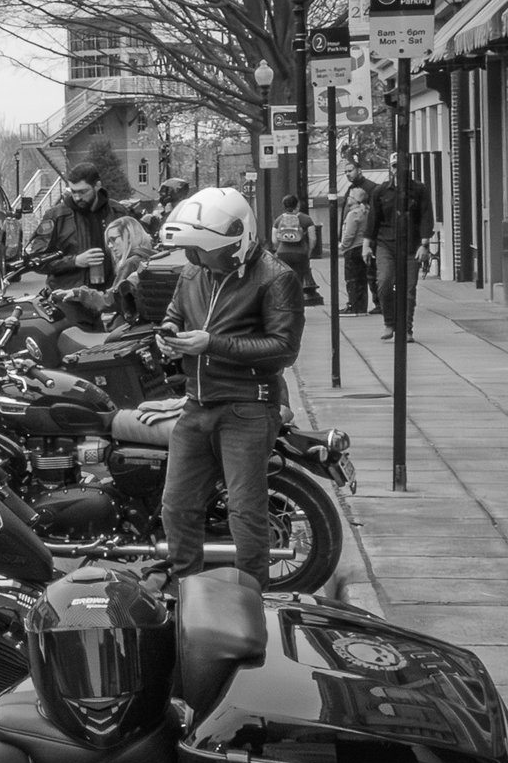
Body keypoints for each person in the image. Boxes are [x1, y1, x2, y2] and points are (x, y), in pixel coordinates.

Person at [157, 187, 303, 589]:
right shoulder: (193, 273)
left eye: (203, 250)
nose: (195, 257)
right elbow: (175, 313)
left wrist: (211, 343)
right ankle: (186, 590)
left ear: (234, 243)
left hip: (248, 407)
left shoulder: (276, 278)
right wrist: (168, 332)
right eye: (193, 250)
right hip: (198, 402)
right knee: (177, 505)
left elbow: (283, 350)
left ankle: (251, 597)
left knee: (245, 510)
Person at [21, 164, 113, 292]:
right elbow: (36, 260)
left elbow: (135, 252)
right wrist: (74, 261)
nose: (77, 197)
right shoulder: (56, 216)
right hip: (68, 296)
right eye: (73, 191)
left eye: (83, 191)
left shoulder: (117, 213)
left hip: (112, 295)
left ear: (97, 186)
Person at [370, 166, 434, 342]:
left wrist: (424, 245)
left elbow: (426, 217)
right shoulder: (381, 191)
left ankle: (406, 329)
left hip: (411, 245)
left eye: (401, 166)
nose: (398, 170)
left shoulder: (419, 190)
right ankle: (389, 322)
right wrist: (367, 244)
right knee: (384, 282)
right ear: (390, 169)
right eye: (394, 166)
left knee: (409, 290)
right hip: (386, 243)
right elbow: (373, 218)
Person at [270, 194, 320, 306]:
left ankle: (285, 303)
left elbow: (274, 240)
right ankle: (297, 304)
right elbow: (313, 239)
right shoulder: (306, 219)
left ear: (283, 206)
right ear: (297, 205)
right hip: (300, 254)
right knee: (298, 280)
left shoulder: (278, 220)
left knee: (285, 279)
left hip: (283, 253)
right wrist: (309, 251)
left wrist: (279, 249)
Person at [338, 172, 375, 314]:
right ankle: (361, 305)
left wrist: (343, 246)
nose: (348, 198)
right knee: (362, 279)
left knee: (352, 279)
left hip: (353, 249)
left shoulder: (353, 214)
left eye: (350, 196)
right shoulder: (366, 211)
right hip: (364, 247)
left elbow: (349, 234)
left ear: (354, 199)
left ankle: (353, 305)